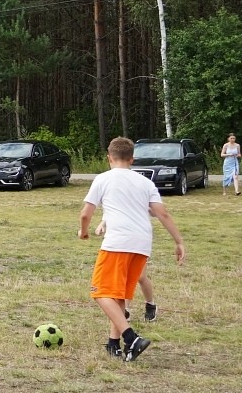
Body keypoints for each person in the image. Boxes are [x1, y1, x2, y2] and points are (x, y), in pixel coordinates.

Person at [78, 137, 185, 361]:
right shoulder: (145, 183)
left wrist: (84, 231)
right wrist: (179, 241)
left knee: (100, 292)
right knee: (118, 296)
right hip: (142, 245)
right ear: (132, 159)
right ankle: (113, 343)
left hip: (117, 243)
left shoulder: (103, 178)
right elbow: (162, 213)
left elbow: (86, 213)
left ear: (109, 157)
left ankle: (131, 338)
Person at [96, 219, 158, 321]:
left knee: (140, 277)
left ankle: (150, 304)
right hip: (121, 241)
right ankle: (125, 309)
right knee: (125, 276)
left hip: (139, 238)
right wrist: (103, 223)